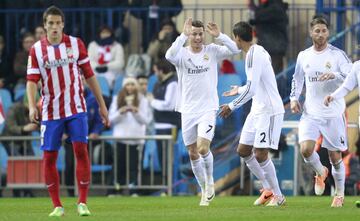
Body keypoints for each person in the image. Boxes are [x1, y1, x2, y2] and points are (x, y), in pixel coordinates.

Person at [26, 6, 109, 217]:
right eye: (50, 23)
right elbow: (31, 81)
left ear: (63, 24)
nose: (54, 27)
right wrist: (30, 105)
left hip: (76, 108)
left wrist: (101, 104)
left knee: (81, 151)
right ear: (45, 25)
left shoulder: (75, 43)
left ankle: (82, 202)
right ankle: (57, 205)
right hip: (50, 111)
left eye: (57, 23)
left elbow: (89, 75)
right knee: (49, 157)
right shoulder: (36, 49)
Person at [165, 18, 239, 206]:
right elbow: (168, 55)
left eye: (200, 34)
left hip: (207, 108)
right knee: (192, 153)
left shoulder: (212, 51)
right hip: (187, 109)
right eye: (194, 34)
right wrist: (182, 35)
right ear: (189, 35)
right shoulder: (181, 54)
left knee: (203, 147)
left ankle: (210, 181)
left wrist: (219, 35)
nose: (198, 37)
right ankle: (204, 187)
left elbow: (235, 49)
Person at [218, 21, 286, 206]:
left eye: (234, 38)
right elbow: (253, 86)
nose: (234, 42)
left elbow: (253, 89)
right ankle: (268, 190)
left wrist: (231, 106)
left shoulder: (254, 56)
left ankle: (279, 196)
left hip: (269, 110)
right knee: (243, 150)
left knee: (261, 153)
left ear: (238, 39)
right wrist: (239, 89)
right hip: (257, 109)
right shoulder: (255, 52)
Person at [290, 15, 352, 207]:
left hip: (332, 113)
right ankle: (320, 172)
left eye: (324, 31)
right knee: (306, 149)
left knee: (335, 157)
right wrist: (294, 98)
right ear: (311, 32)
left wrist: (333, 75)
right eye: (317, 30)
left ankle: (339, 195)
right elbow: (297, 79)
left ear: (328, 32)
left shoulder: (337, 55)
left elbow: (351, 76)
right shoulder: (304, 55)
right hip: (311, 112)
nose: (320, 34)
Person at [109, 77, 152, 194]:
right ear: (124, 86)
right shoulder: (116, 98)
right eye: (128, 85)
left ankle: (134, 191)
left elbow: (145, 121)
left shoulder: (142, 100)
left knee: (135, 167)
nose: (130, 87)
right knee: (118, 166)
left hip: (136, 139)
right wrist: (120, 112)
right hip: (120, 138)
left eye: (132, 84)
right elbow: (111, 119)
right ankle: (115, 190)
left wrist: (136, 112)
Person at [150, 59, 180, 177]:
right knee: (162, 157)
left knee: (168, 156)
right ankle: (166, 184)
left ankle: (171, 185)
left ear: (161, 71)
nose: (155, 74)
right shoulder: (158, 84)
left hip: (170, 125)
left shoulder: (173, 83)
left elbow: (169, 105)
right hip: (158, 125)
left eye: (156, 71)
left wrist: (152, 102)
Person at [248, 0, 288, 74]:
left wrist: (252, 6)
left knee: (274, 76)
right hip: (267, 45)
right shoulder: (266, 6)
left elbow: (257, 17)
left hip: (275, 47)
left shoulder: (276, 6)